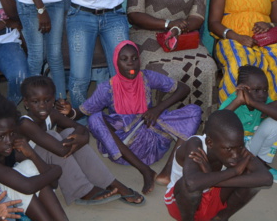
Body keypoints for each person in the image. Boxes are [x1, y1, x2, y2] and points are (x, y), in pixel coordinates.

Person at [79, 40, 202, 195]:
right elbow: (85, 110)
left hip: (152, 139)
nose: (131, 64)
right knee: (94, 119)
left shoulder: (147, 77)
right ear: (116, 63)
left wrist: (158, 109)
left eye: (134, 58)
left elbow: (184, 88)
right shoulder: (106, 88)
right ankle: (145, 171)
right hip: (124, 147)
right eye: (124, 59)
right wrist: (69, 112)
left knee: (195, 111)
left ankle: (169, 168)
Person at [127, 0, 218, 118]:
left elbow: (198, 17)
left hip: (182, 36)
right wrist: (168, 24)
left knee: (208, 66)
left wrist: (178, 27)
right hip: (147, 34)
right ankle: (156, 118)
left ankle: (199, 118)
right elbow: (133, 14)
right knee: (155, 69)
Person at [18, 75, 145, 206]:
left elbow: (79, 127)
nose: (42, 106)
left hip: (50, 157)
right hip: (29, 167)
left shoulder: (52, 114)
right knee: (55, 136)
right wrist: (82, 138)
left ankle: (110, 182)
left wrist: (81, 137)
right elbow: (61, 150)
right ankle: (80, 190)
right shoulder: (25, 123)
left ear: (53, 99)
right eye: (35, 101)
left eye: (47, 100)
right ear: (26, 103)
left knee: (69, 133)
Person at [163, 109, 273, 221]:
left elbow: (266, 178)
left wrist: (209, 176)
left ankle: (221, 217)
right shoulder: (195, 145)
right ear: (210, 143)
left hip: (213, 200)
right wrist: (234, 172)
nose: (235, 155)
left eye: (240, 146)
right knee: (188, 184)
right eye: (228, 149)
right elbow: (191, 183)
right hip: (182, 206)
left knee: (252, 177)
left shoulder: (236, 146)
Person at [0, 96, 68, 221]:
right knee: (15, 186)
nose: (9, 141)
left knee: (28, 166)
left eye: (11, 134)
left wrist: (32, 154)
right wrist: (57, 170)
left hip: (2, 202)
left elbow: (52, 184)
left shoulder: (9, 150)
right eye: (1, 136)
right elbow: (28, 187)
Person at [219, 65, 277, 184]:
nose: (262, 95)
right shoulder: (233, 101)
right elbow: (217, 122)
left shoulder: (264, 102)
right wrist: (238, 101)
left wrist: (253, 102)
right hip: (232, 150)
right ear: (242, 89)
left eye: (265, 90)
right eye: (257, 90)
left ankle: (261, 164)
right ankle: (244, 168)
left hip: (252, 148)